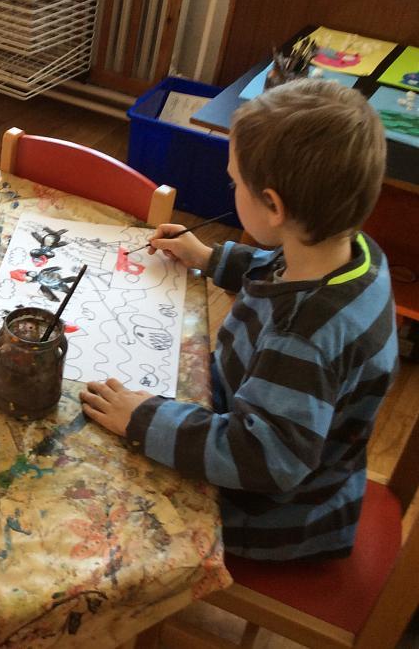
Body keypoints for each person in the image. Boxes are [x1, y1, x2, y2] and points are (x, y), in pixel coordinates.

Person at [79, 79, 398, 561]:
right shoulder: (348, 251)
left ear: (274, 206)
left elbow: (265, 460)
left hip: (272, 517)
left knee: (94, 492)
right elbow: (275, 268)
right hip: (256, 424)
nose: (231, 189)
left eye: (234, 183)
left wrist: (143, 419)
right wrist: (209, 258)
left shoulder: (303, 335)